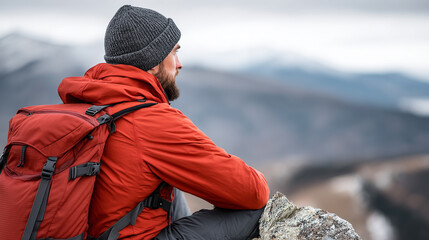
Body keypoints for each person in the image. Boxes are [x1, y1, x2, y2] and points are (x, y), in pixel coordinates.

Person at [58, 5, 269, 240]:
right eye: (173, 53)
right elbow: (253, 191)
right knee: (258, 210)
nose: (179, 64)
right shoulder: (153, 122)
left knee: (169, 183)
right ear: (153, 62)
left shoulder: (89, 107)